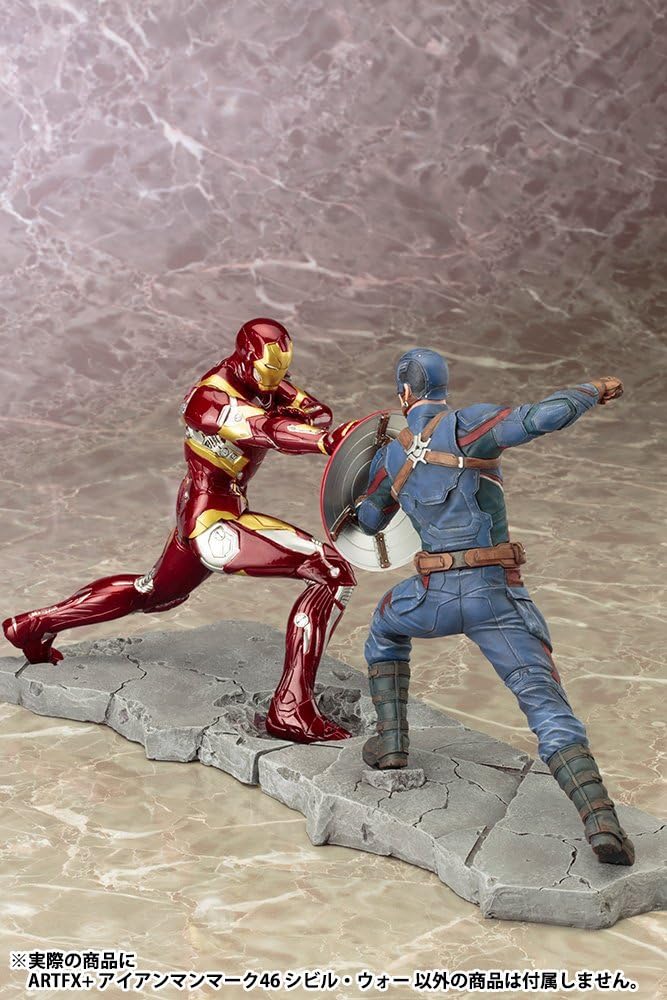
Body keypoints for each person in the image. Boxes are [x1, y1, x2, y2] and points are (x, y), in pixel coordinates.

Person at [3, 318, 356, 744]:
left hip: (206, 511)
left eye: (281, 372)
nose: (275, 380)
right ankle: (290, 709)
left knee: (154, 593)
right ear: (245, 357)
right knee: (331, 572)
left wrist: (305, 420)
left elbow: (317, 412)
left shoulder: (263, 382)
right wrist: (321, 442)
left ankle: (34, 624)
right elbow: (268, 430)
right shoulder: (209, 399)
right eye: (268, 371)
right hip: (213, 521)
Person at [354, 347, 634, 866]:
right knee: (543, 702)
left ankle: (391, 741)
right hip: (494, 598)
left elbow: (368, 521)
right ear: (443, 386)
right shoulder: (468, 425)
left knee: (385, 630)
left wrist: (368, 467)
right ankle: (601, 822)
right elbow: (541, 417)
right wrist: (590, 391)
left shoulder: (391, 456)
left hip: (430, 598)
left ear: (404, 393)